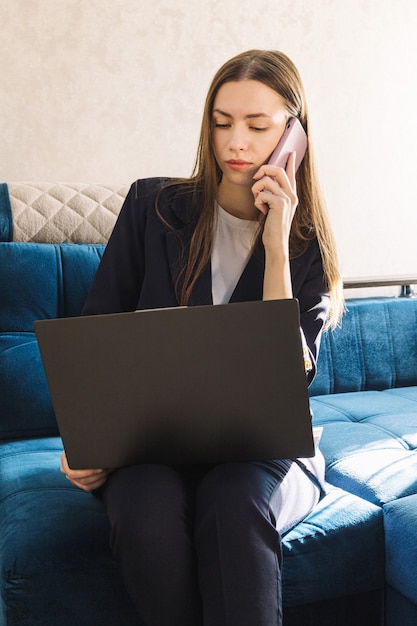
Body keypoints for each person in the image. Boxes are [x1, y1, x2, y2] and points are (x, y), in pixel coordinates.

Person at [61, 49, 343, 626]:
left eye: (258, 126)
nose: (235, 141)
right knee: (145, 513)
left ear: (294, 135)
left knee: (233, 504)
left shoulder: (306, 245)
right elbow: (94, 337)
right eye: (221, 122)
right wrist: (86, 443)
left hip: (257, 455)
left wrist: (274, 245)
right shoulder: (152, 207)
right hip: (150, 449)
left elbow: (286, 379)